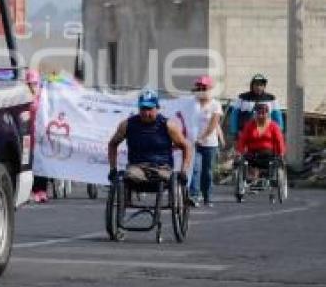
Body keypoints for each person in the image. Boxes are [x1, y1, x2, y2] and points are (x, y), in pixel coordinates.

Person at [108, 89, 192, 189]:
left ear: (157, 108)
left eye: (149, 109)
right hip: (137, 168)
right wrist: (113, 168)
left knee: (165, 177)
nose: (146, 113)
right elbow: (112, 144)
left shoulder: (168, 125)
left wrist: (183, 171)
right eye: (143, 108)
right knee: (128, 176)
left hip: (162, 168)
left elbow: (186, 146)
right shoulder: (127, 124)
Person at [187, 76, 225, 207]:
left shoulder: (216, 105)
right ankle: (194, 195)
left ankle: (207, 196)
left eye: (204, 87)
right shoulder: (191, 103)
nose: (201, 90)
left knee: (207, 171)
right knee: (195, 169)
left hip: (209, 143)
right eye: (199, 87)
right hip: (193, 144)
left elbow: (213, 125)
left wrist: (202, 137)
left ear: (210, 89)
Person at [236, 102, 286, 183]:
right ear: (254, 114)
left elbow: (279, 141)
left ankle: (261, 176)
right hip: (252, 153)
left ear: (267, 114)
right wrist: (239, 152)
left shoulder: (274, 126)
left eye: (263, 113)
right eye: (258, 113)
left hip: (267, 154)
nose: (260, 115)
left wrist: (281, 154)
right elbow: (242, 140)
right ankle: (252, 178)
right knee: (243, 160)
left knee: (270, 159)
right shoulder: (249, 125)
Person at [229, 73, 284, 139]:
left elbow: (277, 117)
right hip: (245, 133)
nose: (258, 87)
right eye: (256, 84)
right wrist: (234, 132)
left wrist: (279, 132)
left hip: (266, 134)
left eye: (261, 85)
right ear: (252, 85)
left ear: (264, 86)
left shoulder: (271, 98)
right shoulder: (242, 97)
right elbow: (234, 115)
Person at [26, 69, 49, 203]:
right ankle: (32, 190)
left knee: (42, 164)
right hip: (29, 136)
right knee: (30, 165)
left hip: (41, 136)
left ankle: (42, 191)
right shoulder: (25, 98)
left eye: (34, 84)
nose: (32, 86)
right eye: (30, 84)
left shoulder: (43, 97)